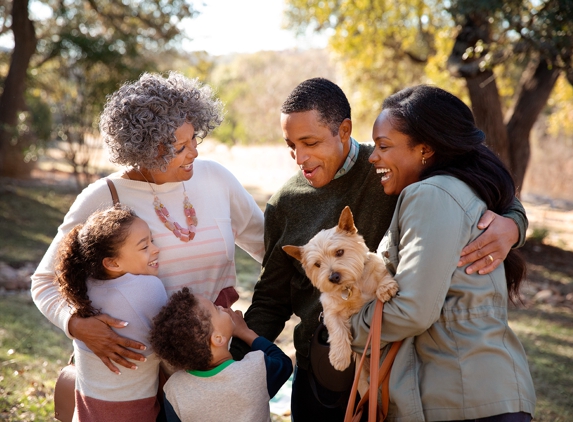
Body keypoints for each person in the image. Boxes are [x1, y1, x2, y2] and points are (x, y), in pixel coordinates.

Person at [230, 78, 529, 421]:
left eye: (310, 142)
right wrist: (230, 362)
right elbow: (271, 298)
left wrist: (514, 223)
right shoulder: (286, 203)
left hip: (391, 361)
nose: (300, 157)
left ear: (344, 131)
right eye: (290, 145)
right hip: (324, 363)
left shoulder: (394, 170)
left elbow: (475, 190)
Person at [31, 71, 264, 375]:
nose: (194, 151)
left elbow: (270, 249)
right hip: (136, 372)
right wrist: (76, 324)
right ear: (146, 148)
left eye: (194, 137)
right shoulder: (104, 196)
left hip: (213, 364)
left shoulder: (217, 179)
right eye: (179, 148)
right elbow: (45, 281)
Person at [351, 85, 535, 421]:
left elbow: (413, 311)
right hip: (478, 393)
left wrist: (345, 326)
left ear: (424, 149)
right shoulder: (460, 187)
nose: (372, 157)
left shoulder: (432, 194)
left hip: (463, 397)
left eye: (383, 146)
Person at [54, 205, 168, 421]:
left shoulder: (84, 285)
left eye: (152, 240)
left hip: (87, 409)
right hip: (132, 411)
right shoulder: (149, 289)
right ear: (113, 262)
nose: (156, 249)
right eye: (145, 247)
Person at [149, 287, 293, 422]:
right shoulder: (255, 370)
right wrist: (246, 333)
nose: (223, 308)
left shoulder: (174, 389)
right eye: (217, 309)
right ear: (218, 338)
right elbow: (284, 363)